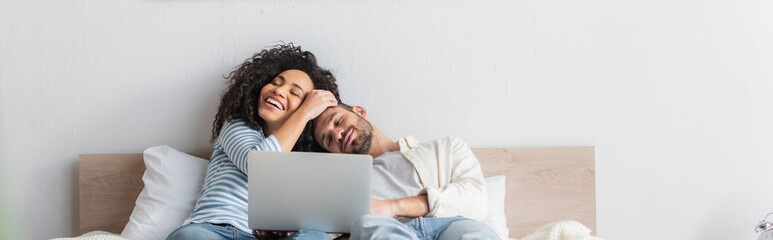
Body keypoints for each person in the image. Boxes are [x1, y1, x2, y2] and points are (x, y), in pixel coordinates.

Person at [166, 44, 340, 240]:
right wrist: (304, 113)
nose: (279, 91)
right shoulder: (238, 125)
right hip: (212, 230)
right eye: (276, 82)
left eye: (295, 93)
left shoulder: (300, 161)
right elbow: (258, 166)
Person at [312, 104, 500, 240]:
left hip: (453, 225)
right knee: (369, 227)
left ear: (360, 111)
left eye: (338, 121)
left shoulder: (447, 148)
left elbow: (476, 200)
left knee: (475, 235)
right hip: (388, 231)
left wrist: (393, 207)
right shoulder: (344, 188)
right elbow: (319, 229)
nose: (337, 134)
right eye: (328, 140)